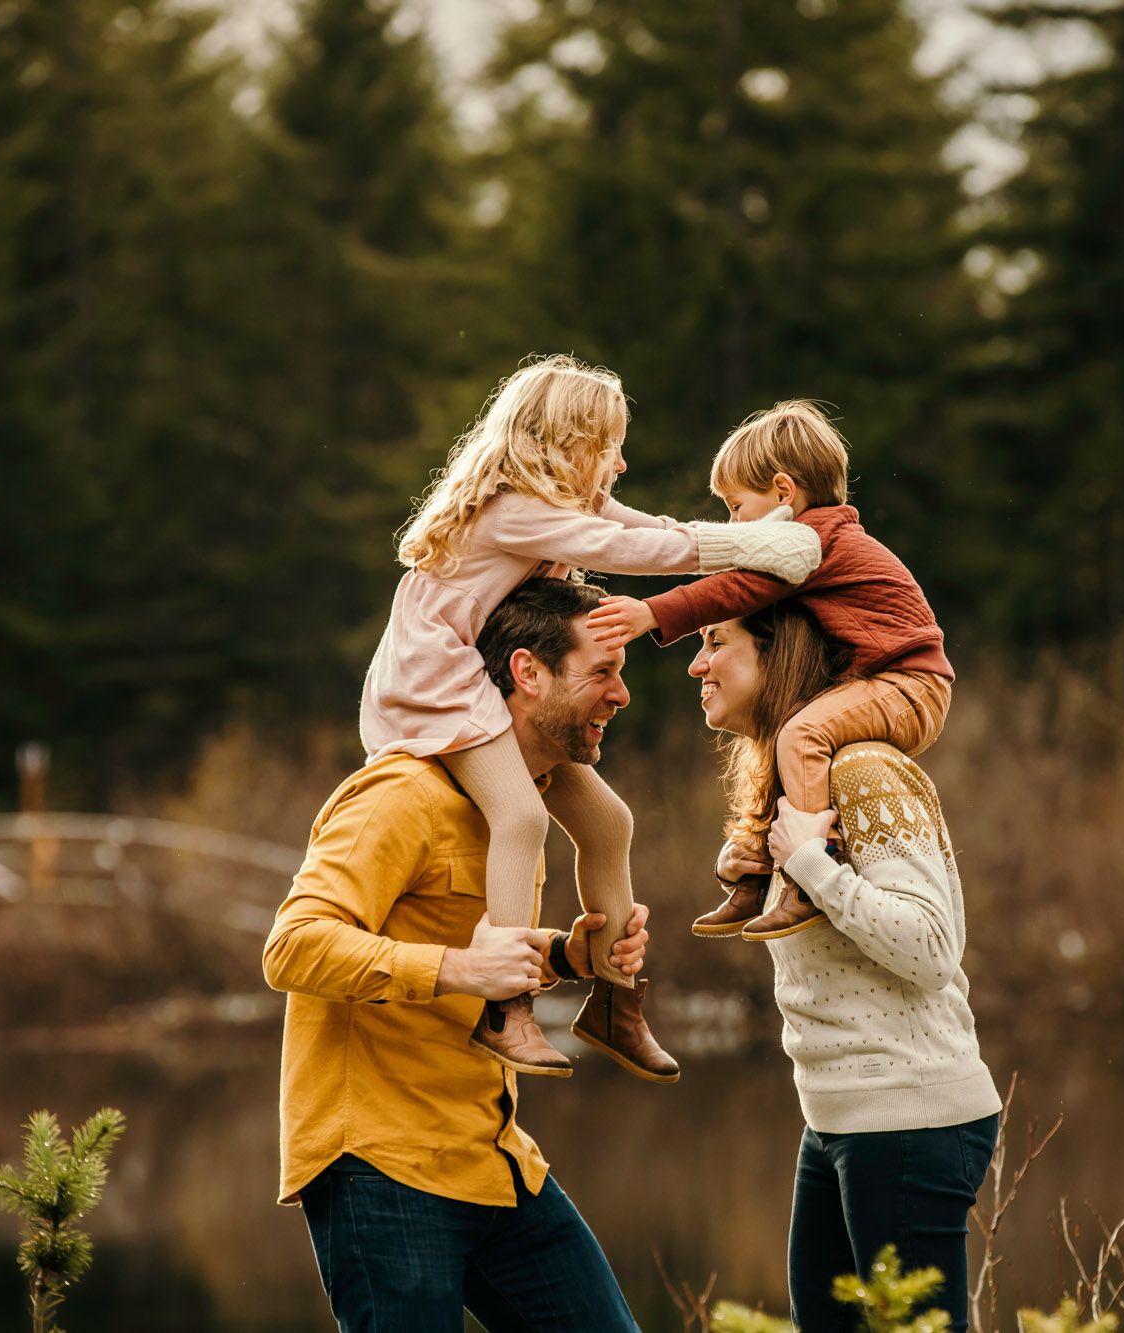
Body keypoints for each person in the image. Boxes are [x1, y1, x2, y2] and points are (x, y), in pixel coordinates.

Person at [362, 356, 821, 1072]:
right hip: (437, 676)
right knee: (519, 817)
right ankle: (505, 1008)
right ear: (566, 444)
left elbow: (656, 530)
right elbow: (630, 551)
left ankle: (613, 1001)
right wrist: (761, 546)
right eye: (609, 447)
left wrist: (764, 540)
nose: (622, 461)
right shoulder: (515, 509)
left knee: (610, 822)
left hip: (482, 673)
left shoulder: (565, 509)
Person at [264, 577, 675, 1333]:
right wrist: (458, 970)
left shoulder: (531, 799)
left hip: (494, 1159)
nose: (621, 696)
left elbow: (480, 944)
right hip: (380, 1164)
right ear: (528, 672)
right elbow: (292, 945)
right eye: (602, 673)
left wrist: (565, 955)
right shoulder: (402, 791)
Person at [686, 600, 1001, 1333]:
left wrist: (804, 864)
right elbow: (840, 926)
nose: (697, 665)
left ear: (779, 653)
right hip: (836, 1117)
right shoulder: (801, 781)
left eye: (714, 642)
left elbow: (929, 948)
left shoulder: (864, 772)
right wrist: (762, 868)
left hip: (908, 1113)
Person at [588, 400, 953, 941]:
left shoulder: (807, 543)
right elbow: (700, 542)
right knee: (791, 738)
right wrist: (611, 512)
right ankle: (753, 877)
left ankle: (802, 885)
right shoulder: (807, 543)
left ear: (784, 494)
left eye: (736, 508)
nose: (732, 526)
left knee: (802, 733)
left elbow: (736, 585)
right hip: (886, 680)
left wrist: (652, 612)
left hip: (909, 684)